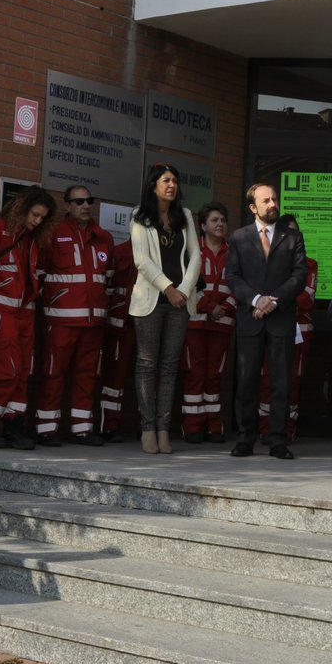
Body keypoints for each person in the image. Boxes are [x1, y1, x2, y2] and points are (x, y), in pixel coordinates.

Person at [0, 186, 55, 449]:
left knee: (23, 369)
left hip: (24, 310)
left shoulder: (33, 239)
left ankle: (13, 423)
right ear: (23, 208)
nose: (37, 221)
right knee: (7, 367)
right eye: (35, 215)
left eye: (42, 218)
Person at [225, 183, 307, 460]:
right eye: (266, 200)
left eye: (275, 199)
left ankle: (278, 441)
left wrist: (273, 301)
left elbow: (299, 276)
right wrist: (256, 299)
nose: (273, 204)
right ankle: (245, 439)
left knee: (281, 382)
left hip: (281, 319)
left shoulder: (292, 237)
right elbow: (233, 277)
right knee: (247, 380)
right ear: (253, 207)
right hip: (250, 319)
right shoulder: (238, 238)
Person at [129, 164, 200, 455]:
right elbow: (141, 260)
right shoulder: (139, 216)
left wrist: (182, 291)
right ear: (153, 185)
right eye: (166, 180)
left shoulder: (184, 216)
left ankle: (163, 429)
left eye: (175, 180)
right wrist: (168, 289)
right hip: (150, 301)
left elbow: (196, 254)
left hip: (180, 302)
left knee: (170, 367)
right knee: (147, 365)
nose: (172, 185)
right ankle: (147, 429)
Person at [38, 185, 114, 446]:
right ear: (67, 205)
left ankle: (81, 429)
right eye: (79, 201)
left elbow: (109, 279)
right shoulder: (53, 234)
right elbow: (39, 272)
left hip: (93, 323)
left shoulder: (103, 237)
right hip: (60, 321)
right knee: (53, 373)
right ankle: (46, 428)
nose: (85, 206)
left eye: (89, 201)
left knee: (86, 375)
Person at [256, 214, 315, 440]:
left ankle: (286, 429)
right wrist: (285, 296)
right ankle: (265, 428)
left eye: (295, 233)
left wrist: (276, 299)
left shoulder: (310, 265)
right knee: (267, 377)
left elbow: (306, 300)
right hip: (271, 326)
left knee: (292, 379)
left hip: (301, 329)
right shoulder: (266, 262)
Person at [180, 202, 233, 444]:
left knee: (215, 374)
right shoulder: (192, 252)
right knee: (195, 373)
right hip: (196, 322)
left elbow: (242, 285)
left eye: (222, 220)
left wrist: (226, 307)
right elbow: (188, 285)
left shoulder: (234, 253)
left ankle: (214, 426)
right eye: (214, 220)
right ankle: (192, 427)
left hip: (223, 323)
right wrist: (210, 307)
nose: (220, 223)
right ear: (202, 226)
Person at [97, 238, 136, 442]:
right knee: (115, 377)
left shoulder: (158, 252)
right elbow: (107, 287)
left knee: (149, 377)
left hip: (148, 323)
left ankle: (146, 427)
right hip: (121, 321)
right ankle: (110, 426)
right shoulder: (119, 251)